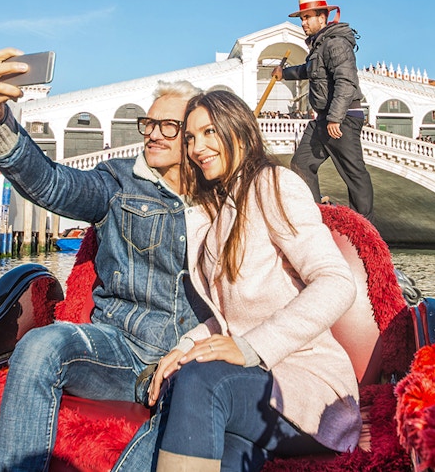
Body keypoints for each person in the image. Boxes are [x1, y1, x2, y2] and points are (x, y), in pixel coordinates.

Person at [0, 47, 208, 471]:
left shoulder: (226, 197)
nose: (152, 134)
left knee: (194, 393)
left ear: (198, 133)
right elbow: (53, 185)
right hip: (117, 350)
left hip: (188, 360)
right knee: (41, 344)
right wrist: (1, 125)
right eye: (149, 123)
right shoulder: (118, 181)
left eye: (168, 125)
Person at [147, 90, 362, 472]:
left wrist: (251, 348)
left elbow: (335, 281)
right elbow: (228, 318)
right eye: (192, 138)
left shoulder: (274, 184)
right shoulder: (215, 214)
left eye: (209, 132)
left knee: (201, 381)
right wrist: (183, 347)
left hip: (307, 387)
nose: (197, 147)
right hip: (254, 388)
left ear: (240, 132)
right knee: (197, 407)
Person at [272, 0, 374, 222]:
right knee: (301, 163)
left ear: (323, 17)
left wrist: (336, 118)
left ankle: (365, 228)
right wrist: (283, 74)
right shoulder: (320, 45)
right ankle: (315, 218)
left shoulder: (336, 43)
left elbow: (345, 82)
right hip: (325, 117)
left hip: (343, 116)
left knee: (353, 174)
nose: (304, 23)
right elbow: (308, 70)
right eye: (302, 18)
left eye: (307, 17)